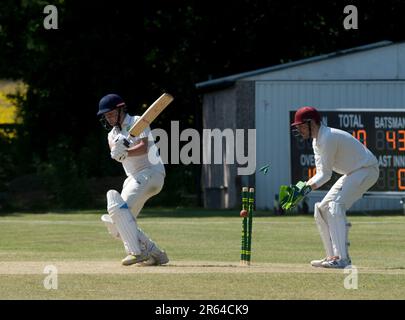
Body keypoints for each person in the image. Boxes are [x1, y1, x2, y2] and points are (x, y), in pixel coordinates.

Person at [290, 106, 379, 268]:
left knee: (335, 206)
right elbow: (320, 173)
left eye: (302, 125)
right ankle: (332, 256)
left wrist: (303, 190)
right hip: (353, 173)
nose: (300, 129)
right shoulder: (317, 142)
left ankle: (342, 259)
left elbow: (326, 176)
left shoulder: (328, 137)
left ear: (312, 123)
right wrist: (299, 189)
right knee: (322, 209)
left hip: (367, 170)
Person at [97, 93, 168, 266]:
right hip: (133, 178)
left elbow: (143, 147)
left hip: (151, 172)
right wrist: (116, 151)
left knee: (118, 210)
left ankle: (136, 252)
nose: (109, 117)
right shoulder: (111, 135)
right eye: (107, 115)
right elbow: (117, 153)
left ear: (121, 110)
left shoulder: (137, 121)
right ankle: (155, 253)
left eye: (112, 114)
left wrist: (126, 150)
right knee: (118, 225)